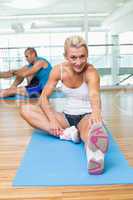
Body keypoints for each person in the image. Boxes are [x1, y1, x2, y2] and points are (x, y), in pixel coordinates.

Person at [20, 36, 109, 175]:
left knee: (90, 131)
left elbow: (94, 96)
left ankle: (94, 155)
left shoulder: (91, 72)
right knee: (25, 108)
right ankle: (67, 134)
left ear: (87, 55)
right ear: (66, 56)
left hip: (86, 116)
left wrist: (96, 115)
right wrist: (53, 120)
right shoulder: (58, 70)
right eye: (73, 57)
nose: (78, 62)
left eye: (82, 57)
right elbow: (43, 97)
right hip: (66, 117)